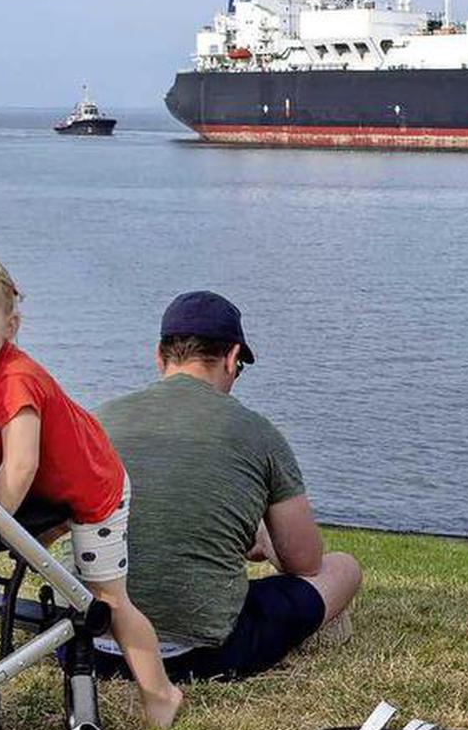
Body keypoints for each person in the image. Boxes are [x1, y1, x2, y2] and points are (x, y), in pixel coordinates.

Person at [0, 247, 181, 728]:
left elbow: (18, 468)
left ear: (9, 327)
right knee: (38, 556)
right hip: (42, 487)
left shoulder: (15, 381)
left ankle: (160, 694)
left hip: (92, 490)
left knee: (105, 599)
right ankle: (49, 529)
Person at [94, 290, 362, 681]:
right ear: (233, 359)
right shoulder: (259, 433)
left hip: (91, 648)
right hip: (201, 657)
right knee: (344, 568)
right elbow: (305, 564)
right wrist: (265, 541)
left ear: (160, 354)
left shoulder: (98, 421)